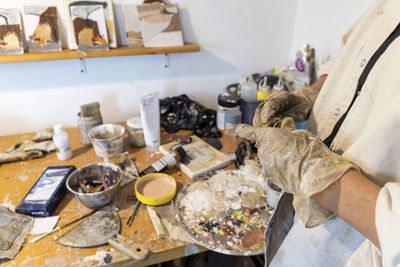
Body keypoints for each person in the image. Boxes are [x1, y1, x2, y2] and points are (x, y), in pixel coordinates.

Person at [236, 0, 400, 266]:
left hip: (352, 246)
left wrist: (311, 170)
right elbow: (350, 59)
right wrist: (310, 94)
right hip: (301, 216)